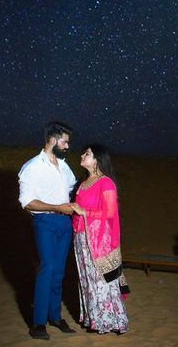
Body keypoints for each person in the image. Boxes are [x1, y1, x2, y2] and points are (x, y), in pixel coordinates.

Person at [18, 122, 79, 340]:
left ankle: (56, 316)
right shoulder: (32, 166)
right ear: (52, 141)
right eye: (65, 142)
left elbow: (72, 187)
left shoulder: (63, 166)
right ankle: (38, 323)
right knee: (48, 268)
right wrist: (56, 207)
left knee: (60, 271)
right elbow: (27, 202)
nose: (67, 146)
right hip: (45, 221)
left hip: (65, 223)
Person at [71, 143, 129, 334]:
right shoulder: (83, 183)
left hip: (98, 242)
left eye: (87, 153)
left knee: (100, 280)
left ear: (97, 159)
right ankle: (95, 319)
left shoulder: (106, 183)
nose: (82, 155)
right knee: (86, 280)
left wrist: (84, 211)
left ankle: (111, 321)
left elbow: (111, 212)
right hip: (81, 238)